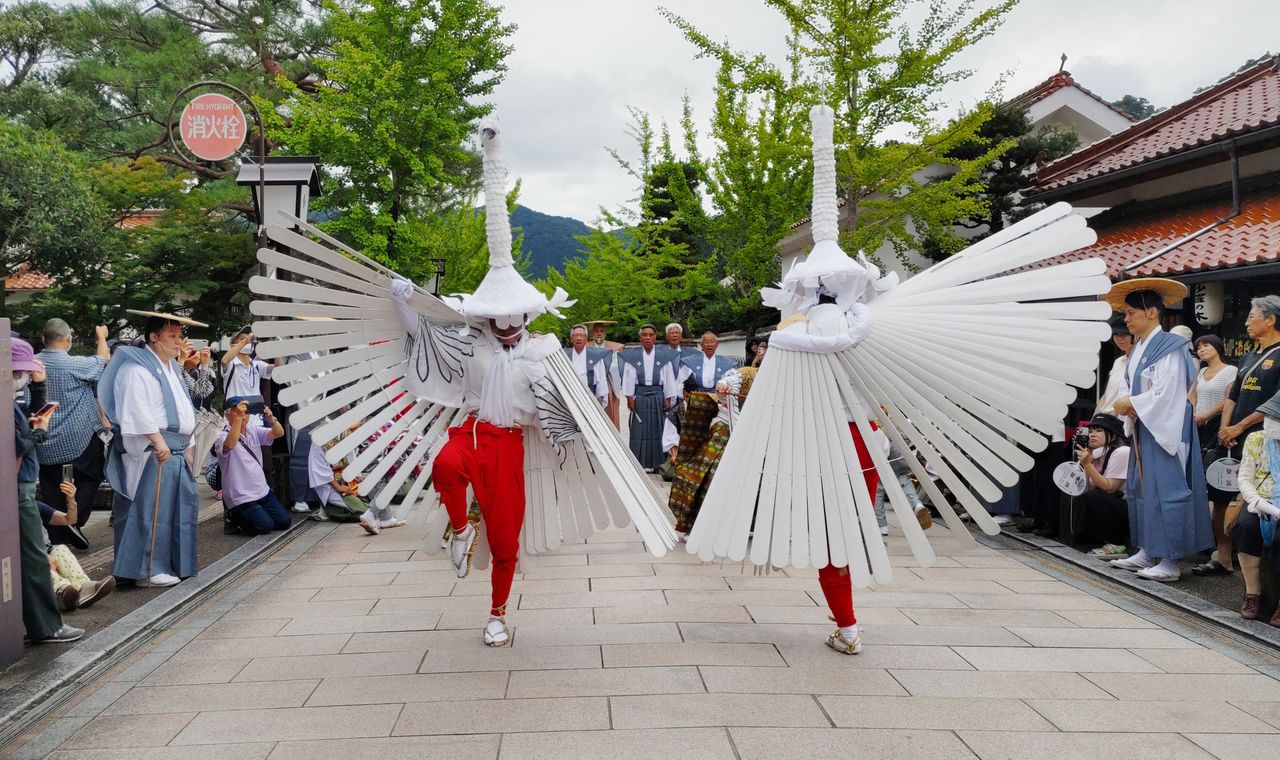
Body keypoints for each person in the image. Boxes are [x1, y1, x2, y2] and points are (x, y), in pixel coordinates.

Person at [1108, 281, 1212, 582]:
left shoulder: (1171, 346)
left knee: (1168, 491)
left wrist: (1130, 403)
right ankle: (1147, 548)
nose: (1126, 320)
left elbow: (1168, 392)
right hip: (1145, 424)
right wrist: (1126, 402)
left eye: (1130, 313)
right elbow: (1130, 385)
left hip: (1166, 426)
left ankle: (1169, 560)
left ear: (1152, 312)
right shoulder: (1140, 347)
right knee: (1143, 488)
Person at [98, 311, 202, 588]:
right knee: (151, 511)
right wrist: (158, 442)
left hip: (175, 449)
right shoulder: (136, 368)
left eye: (180, 336)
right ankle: (146, 570)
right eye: (172, 336)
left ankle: (168, 564)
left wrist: (189, 446)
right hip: (151, 451)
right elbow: (137, 409)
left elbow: (183, 410)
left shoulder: (172, 368)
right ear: (154, 338)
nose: (178, 342)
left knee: (173, 511)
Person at [12, 337, 84, 643]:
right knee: (32, 559)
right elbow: (16, 445)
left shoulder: (10, 399)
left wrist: (39, 389)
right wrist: (39, 434)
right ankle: (46, 626)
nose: (24, 378)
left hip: (18, 486)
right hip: (17, 488)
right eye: (20, 372)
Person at [1207, 297, 1280, 575]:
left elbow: (1275, 402)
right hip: (1232, 439)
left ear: (1270, 320)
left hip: (1261, 440)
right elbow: (1234, 395)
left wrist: (1240, 427)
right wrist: (1226, 427)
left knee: (1254, 501)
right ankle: (1223, 557)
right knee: (1220, 497)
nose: (1247, 323)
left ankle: (1260, 566)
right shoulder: (1249, 356)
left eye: (1252, 317)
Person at [35, 319, 110, 551]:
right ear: (68, 339)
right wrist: (101, 337)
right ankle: (74, 523)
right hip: (78, 438)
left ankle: (59, 539)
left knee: (51, 488)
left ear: (42, 340)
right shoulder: (76, 364)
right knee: (90, 477)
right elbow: (103, 359)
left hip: (43, 440)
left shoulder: (32, 365)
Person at [1191, 334, 1239, 576]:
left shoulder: (1230, 371)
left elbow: (1228, 401)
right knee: (1202, 487)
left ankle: (1224, 554)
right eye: (1198, 347)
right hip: (1198, 427)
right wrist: (1192, 412)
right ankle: (1217, 552)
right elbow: (1193, 396)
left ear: (1218, 347)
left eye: (1206, 345)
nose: (1202, 350)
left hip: (1218, 427)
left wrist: (1205, 415)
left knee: (1218, 489)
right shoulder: (1200, 373)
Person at [1233, 394, 1280, 626]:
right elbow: (1245, 479)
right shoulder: (1255, 440)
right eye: (1269, 416)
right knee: (1244, 527)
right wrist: (1260, 503)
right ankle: (1253, 594)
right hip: (1259, 504)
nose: (1270, 421)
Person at [215, 397, 293, 536]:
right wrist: (238, 419)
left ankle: (258, 513)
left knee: (284, 521)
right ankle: (233, 518)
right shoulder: (222, 436)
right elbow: (229, 445)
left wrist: (271, 418)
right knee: (265, 526)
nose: (244, 415)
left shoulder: (253, 430)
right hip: (241, 496)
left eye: (246, 412)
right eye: (238, 412)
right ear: (227, 415)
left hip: (262, 491)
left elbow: (278, 433)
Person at [1073, 413, 1132, 558]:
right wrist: (1086, 463)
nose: (1093, 435)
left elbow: (1110, 487)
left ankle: (1116, 544)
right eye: (1091, 431)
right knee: (1084, 496)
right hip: (1115, 506)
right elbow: (1084, 488)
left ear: (1112, 434)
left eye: (1099, 431)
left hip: (1130, 510)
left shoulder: (1122, 452)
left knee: (1096, 496)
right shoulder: (1097, 455)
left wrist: (1088, 465)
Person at [621, 324, 678, 469]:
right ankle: (638, 464)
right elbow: (628, 377)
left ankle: (659, 464)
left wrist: (668, 398)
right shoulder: (632, 356)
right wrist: (629, 397)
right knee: (638, 430)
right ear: (640, 338)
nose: (647, 337)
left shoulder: (663, 356)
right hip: (639, 395)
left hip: (658, 395)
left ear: (655, 338)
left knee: (658, 428)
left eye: (650, 335)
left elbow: (669, 378)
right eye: (644, 334)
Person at [1095, 320, 1134, 436]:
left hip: (1121, 421)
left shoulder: (1138, 362)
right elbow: (1107, 394)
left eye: (1124, 335)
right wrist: (1095, 420)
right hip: (1105, 419)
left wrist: (1113, 420)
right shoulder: (1118, 361)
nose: (1119, 338)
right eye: (1116, 335)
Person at [587, 319, 623, 429]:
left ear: (605, 333)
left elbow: (616, 366)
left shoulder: (613, 348)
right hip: (591, 383)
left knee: (610, 413)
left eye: (601, 331)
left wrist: (602, 369)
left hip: (608, 383)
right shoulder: (586, 348)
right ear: (592, 333)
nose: (599, 333)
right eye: (596, 331)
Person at [564, 324, 609, 405]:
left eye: (582, 335)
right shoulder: (564, 355)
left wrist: (600, 399)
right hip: (570, 396)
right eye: (576, 335)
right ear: (571, 339)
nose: (579, 338)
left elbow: (601, 380)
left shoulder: (596, 356)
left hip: (590, 397)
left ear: (586, 339)